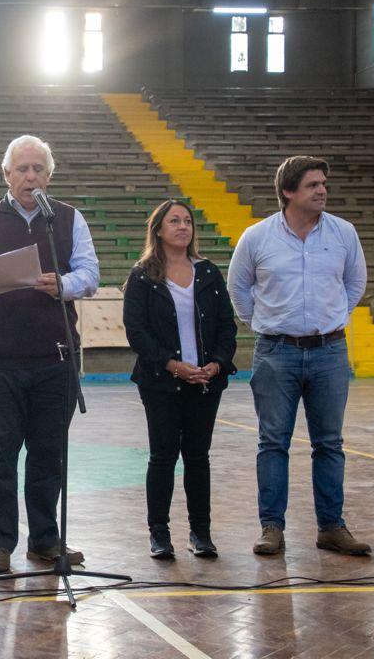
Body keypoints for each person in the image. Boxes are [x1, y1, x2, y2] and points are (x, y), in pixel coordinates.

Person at [0, 134, 99, 574]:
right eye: (22, 169)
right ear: (6, 174)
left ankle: (45, 540)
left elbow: (89, 275)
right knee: (0, 455)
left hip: (55, 358)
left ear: (49, 176)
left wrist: (64, 284)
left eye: (37, 169)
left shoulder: (69, 220)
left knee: (48, 453)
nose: (30, 176)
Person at [227, 155, 371, 556]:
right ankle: (271, 527)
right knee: (272, 442)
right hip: (277, 352)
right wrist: (267, 323)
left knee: (330, 443)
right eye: (312, 184)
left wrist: (335, 317)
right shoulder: (257, 237)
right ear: (288, 192)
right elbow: (238, 289)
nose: (322, 190)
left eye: (323, 183)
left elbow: (355, 281)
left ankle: (331, 527)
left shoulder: (344, 233)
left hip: (330, 351)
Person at [122, 200, 237, 560]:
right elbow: (136, 332)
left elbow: (226, 326)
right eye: (174, 221)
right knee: (162, 456)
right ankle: (159, 534)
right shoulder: (142, 275)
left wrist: (217, 363)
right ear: (158, 229)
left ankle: (200, 533)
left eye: (187, 220)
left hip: (205, 381)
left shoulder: (208, 272)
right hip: (161, 382)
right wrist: (173, 365)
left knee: (198, 457)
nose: (183, 226)